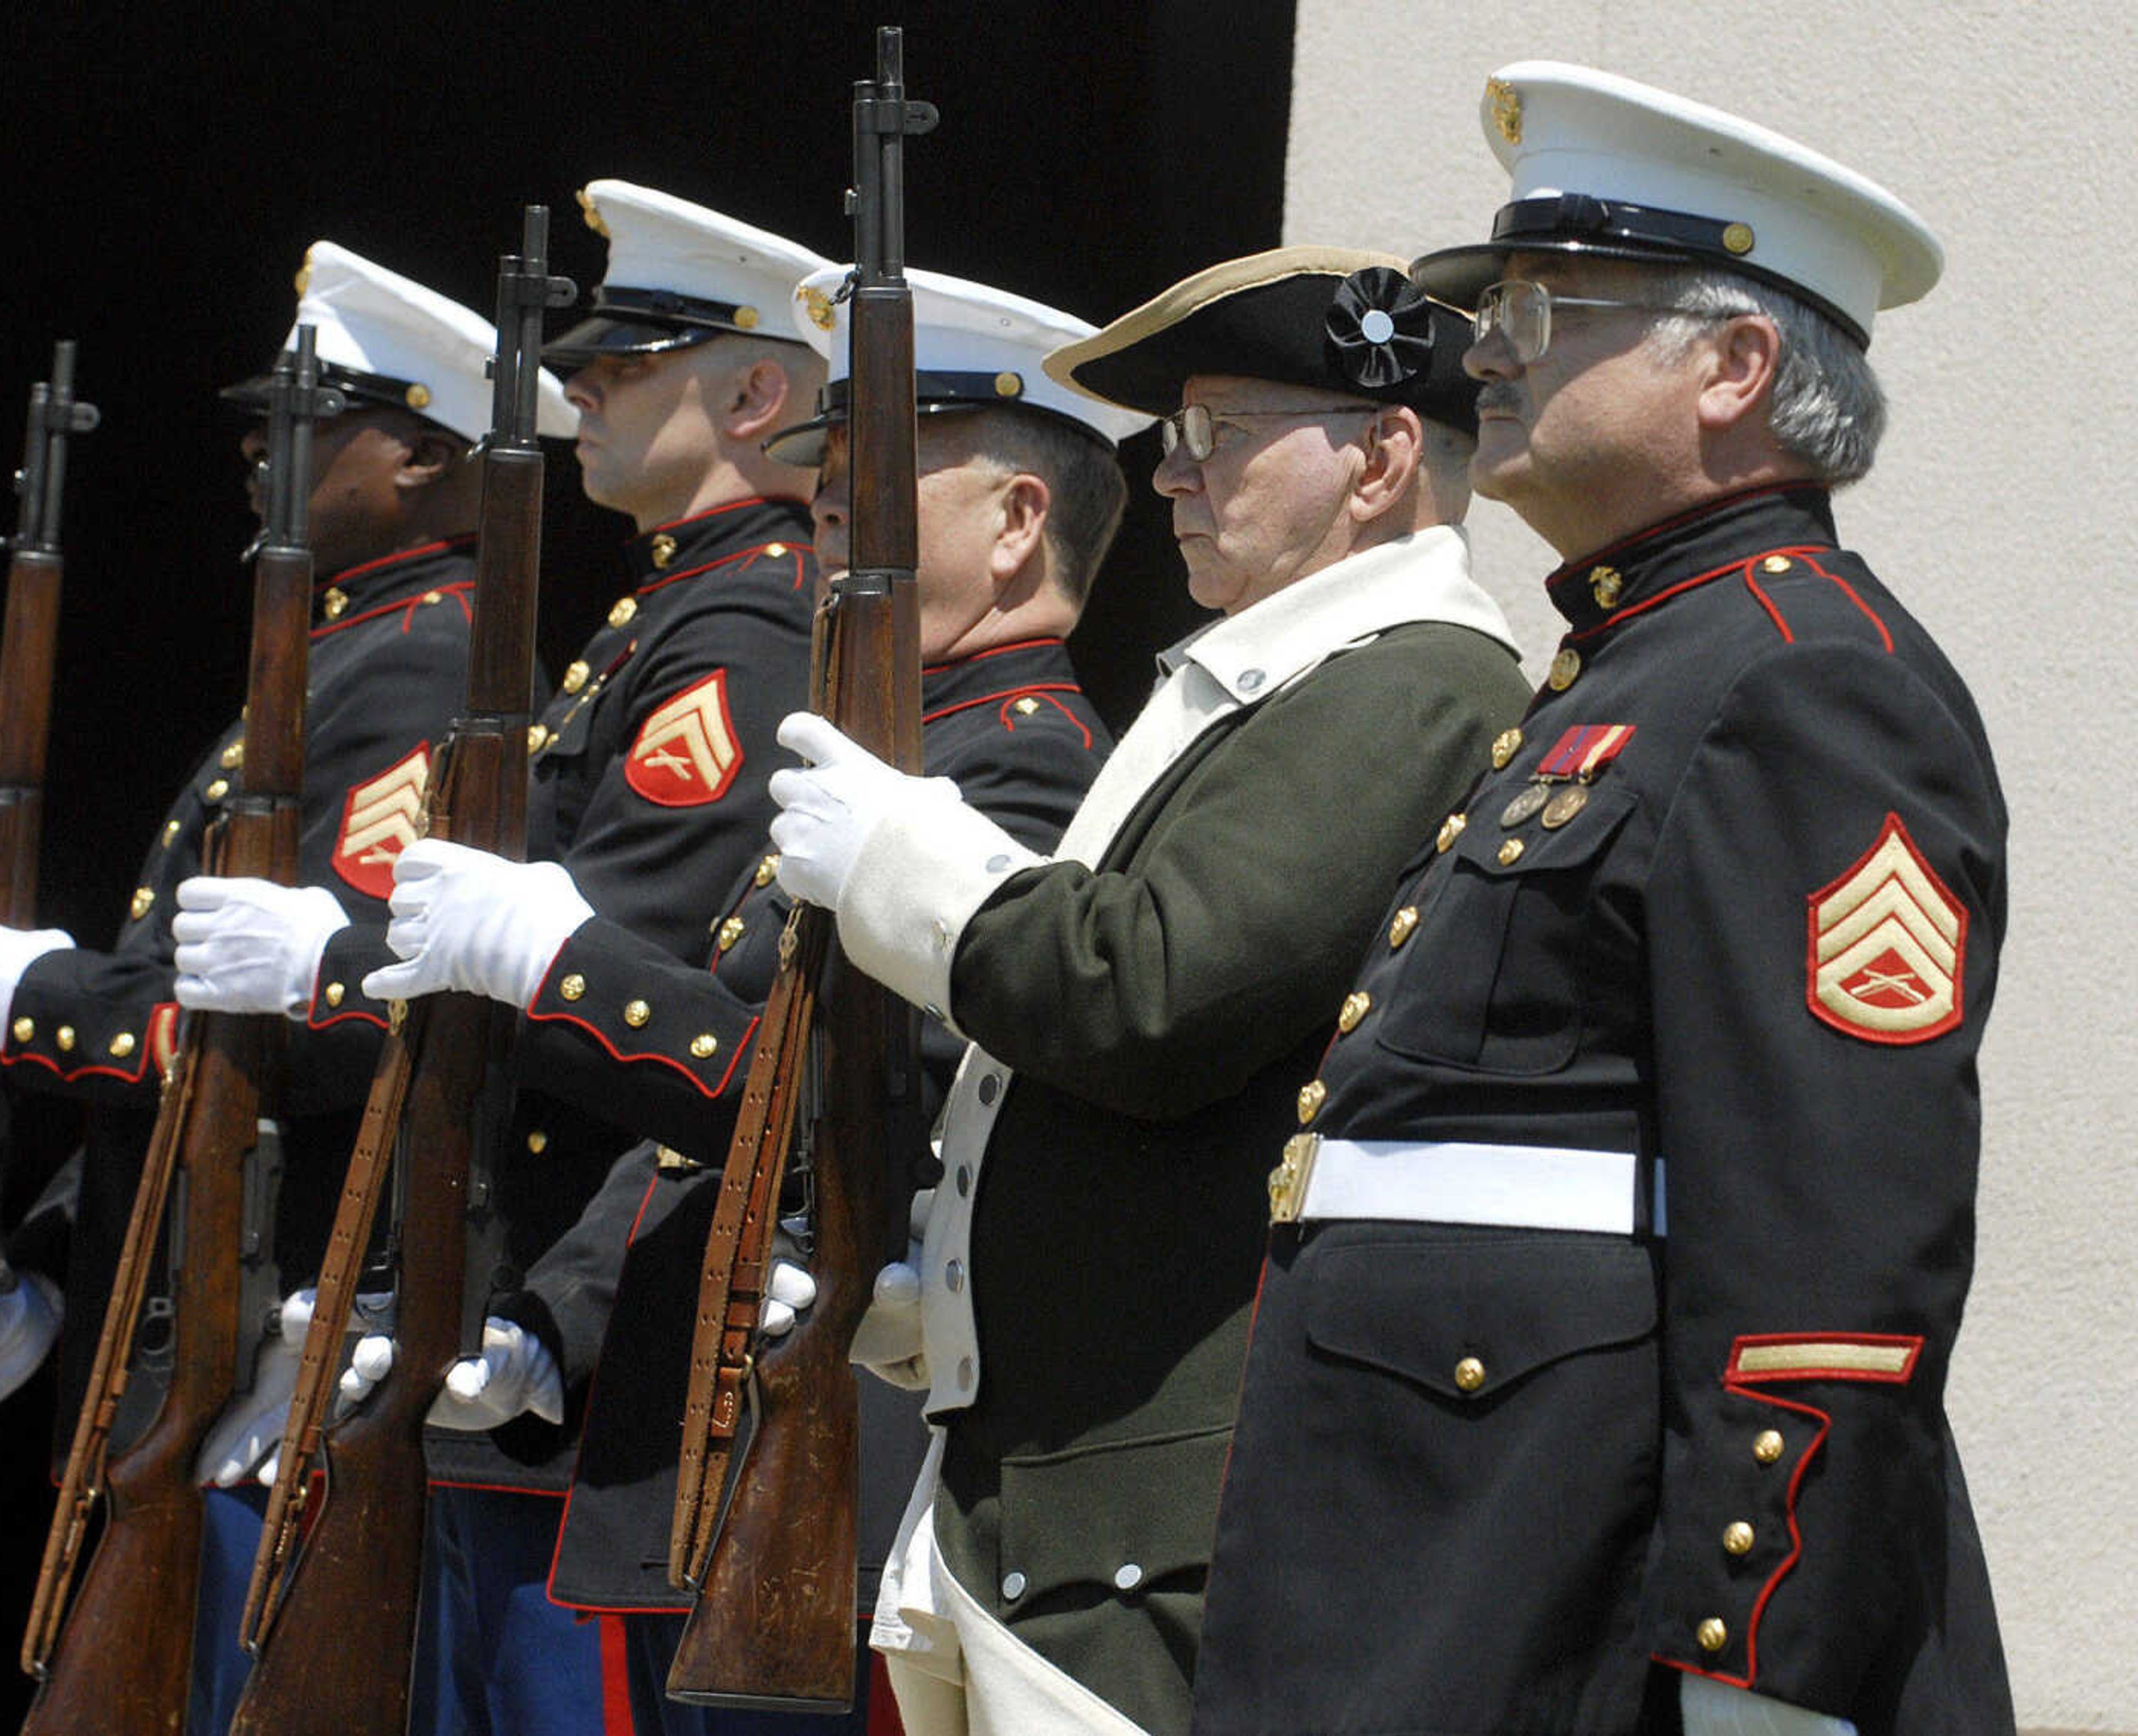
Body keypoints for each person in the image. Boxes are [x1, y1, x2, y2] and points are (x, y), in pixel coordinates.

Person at [1188, 64, 2013, 1736]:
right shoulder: (1629, 672)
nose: (1488, 348)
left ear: (1736, 365)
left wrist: (1758, 1661)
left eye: (1549, 307)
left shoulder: (1801, 686)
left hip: (1571, 1606)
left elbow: (1832, 1237)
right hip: (1446, 1565)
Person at [365, 262, 1148, 1735]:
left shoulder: (1020, 765)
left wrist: (562, 962)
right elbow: (712, 1133)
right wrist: (559, 1317)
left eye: (871, 495)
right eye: (829, 494)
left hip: (833, 1436)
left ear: (1018, 521)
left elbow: (862, 1102)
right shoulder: (898, 765)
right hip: (708, 1422)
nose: (831, 530)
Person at [764, 248, 1529, 1735]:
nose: (1172, 476)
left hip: (1149, 1513)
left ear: (1378, 460)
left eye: (1219, 433)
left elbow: (1156, 989)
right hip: (1058, 1490)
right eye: (1172, 438)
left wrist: (917, 870)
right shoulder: (1290, 675)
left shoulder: (1414, 676)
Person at [0, 240, 581, 1729]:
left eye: (308, 417)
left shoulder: (422, 668)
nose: (259, 445)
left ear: (416, 452)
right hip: (190, 1296)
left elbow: (322, 1019)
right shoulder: (354, 653)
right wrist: (53, 1238)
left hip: (273, 1320)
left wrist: (37, 998)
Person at [179, 181, 835, 1736]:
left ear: (755, 393)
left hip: (580, 1319)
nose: (582, 391)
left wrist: (332, 967)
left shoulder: (738, 628)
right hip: (513, 1311)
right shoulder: (663, 613)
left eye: (626, 366)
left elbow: (622, 952)